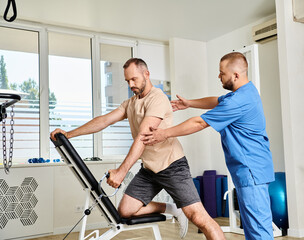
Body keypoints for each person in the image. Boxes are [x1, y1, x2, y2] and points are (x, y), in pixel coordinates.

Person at [50, 58, 225, 240]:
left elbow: (143, 137)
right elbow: (104, 120)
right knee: (125, 211)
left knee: (199, 217)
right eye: (127, 81)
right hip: (149, 169)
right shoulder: (130, 103)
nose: (131, 84)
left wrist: (121, 172)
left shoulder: (157, 98)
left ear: (146, 74)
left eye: (134, 79)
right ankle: (172, 209)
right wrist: (69, 134)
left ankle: (186, 213)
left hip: (172, 166)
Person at [141, 52, 275, 240]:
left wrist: (162, 134)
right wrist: (189, 103)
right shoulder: (244, 92)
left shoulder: (238, 101)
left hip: (251, 170)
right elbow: (216, 100)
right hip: (251, 169)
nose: (218, 76)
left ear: (235, 75)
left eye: (222, 73)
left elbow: (199, 123)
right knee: (253, 228)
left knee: (258, 231)